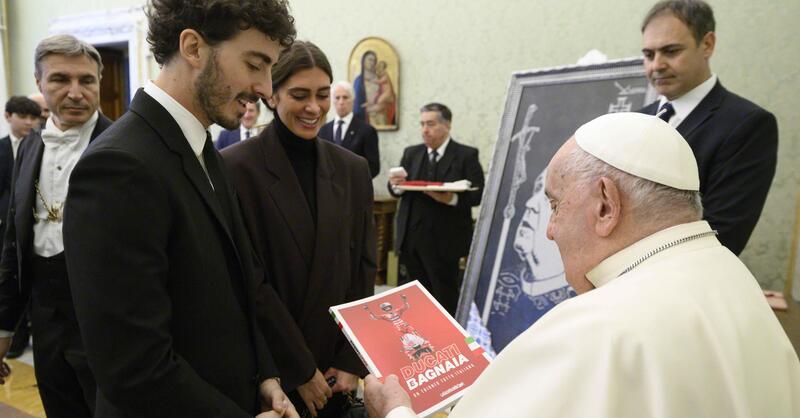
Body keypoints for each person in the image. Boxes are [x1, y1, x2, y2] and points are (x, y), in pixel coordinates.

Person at [365, 112, 800, 418]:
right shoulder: (730, 274)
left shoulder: (595, 329)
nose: (551, 231)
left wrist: (396, 409)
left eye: (554, 205)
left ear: (606, 206)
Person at [60, 1, 298, 417]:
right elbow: (133, 366)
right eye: (255, 64)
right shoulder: (118, 167)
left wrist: (265, 375)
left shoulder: (205, 150)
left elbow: (239, 290)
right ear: (193, 47)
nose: (264, 88)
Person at [222, 40, 376, 418]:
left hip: (336, 370)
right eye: (300, 95)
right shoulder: (235, 167)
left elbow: (364, 267)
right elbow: (249, 283)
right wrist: (298, 369)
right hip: (274, 374)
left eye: (323, 95)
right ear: (272, 96)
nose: (314, 107)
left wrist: (352, 359)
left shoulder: (353, 168)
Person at [0, 34, 113, 417]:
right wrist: (4, 328)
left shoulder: (125, 147)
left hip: (108, 329)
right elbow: (14, 243)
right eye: (60, 80)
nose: (76, 92)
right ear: (39, 84)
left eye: (87, 80)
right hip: (45, 322)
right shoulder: (29, 147)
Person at [638, 0, 777, 255]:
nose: (656, 65)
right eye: (649, 54)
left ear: (707, 44)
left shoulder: (747, 124)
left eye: (671, 51)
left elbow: (722, 235)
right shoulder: (634, 122)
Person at [388, 103, 484, 315]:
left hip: (445, 242)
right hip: (411, 239)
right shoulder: (411, 153)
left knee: (445, 298)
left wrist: (450, 199)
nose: (424, 129)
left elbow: (478, 195)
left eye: (430, 124)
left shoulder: (466, 155)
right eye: (422, 124)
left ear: (447, 125)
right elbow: (396, 190)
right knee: (413, 299)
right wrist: (395, 184)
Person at [0, 96, 41, 359]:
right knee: (12, 279)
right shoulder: (2, 149)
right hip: (6, 229)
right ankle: (15, 336)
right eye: (22, 117)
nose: (28, 122)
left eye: (33, 117)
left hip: (33, 227)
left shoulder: (42, 145)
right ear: (8, 117)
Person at [319, 80, 380, 178]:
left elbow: (373, 167)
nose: (341, 102)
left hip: (354, 189)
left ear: (353, 100)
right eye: (337, 98)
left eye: (345, 97)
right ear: (332, 101)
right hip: (327, 189)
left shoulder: (367, 131)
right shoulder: (323, 130)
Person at [353, 50, 377, 123]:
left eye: (374, 60)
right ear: (363, 62)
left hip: (377, 116)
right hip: (362, 118)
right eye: (370, 60)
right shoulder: (358, 80)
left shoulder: (379, 79)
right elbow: (356, 103)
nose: (372, 63)